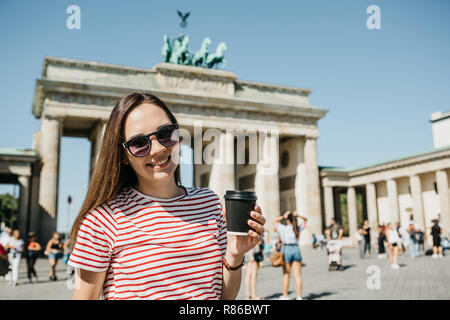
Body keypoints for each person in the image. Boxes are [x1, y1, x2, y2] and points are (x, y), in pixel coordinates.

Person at [67, 92, 266, 300]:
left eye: (165, 133)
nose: (159, 149)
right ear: (123, 156)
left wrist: (234, 255)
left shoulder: (209, 203)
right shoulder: (102, 220)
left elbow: (224, 299)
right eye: (139, 143)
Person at [273, 210, 307, 300]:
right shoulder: (297, 228)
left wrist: (283, 216)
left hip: (287, 249)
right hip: (296, 249)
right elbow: (305, 221)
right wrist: (298, 215)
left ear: (287, 220)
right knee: (298, 275)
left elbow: (275, 222)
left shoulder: (283, 228)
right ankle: (299, 296)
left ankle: (285, 295)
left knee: (286, 275)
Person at [244, 235, 264, 300]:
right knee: (254, 274)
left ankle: (247, 295)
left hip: (246, 247)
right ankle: (253, 295)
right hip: (253, 247)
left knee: (248, 273)